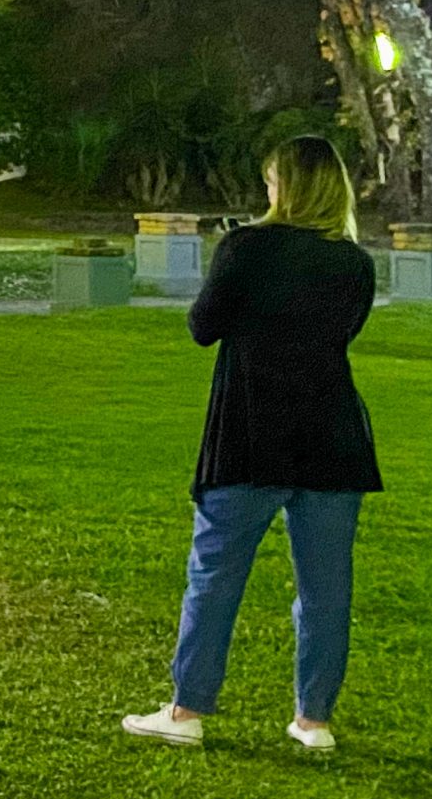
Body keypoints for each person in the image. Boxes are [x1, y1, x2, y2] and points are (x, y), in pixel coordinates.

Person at [122, 136, 381, 753]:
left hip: (251, 430)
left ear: (283, 187)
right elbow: (342, 334)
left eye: (272, 182)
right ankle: (313, 719)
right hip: (332, 437)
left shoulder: (247, 248)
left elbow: (202, 326)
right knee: (325, 589)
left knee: (215, 575)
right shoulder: (355, 263)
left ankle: (188, 710)